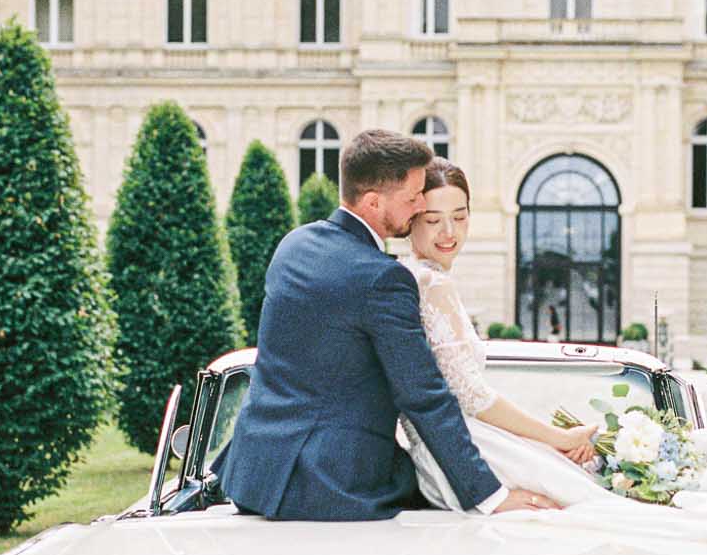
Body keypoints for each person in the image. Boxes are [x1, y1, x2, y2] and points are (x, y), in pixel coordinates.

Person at [401, 158, 707, 555]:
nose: (449, 233)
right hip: (478, 448)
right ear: (410, 222)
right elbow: (474, 396)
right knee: (634, 502)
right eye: (433, 219)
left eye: (459, 217)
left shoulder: (424, 281)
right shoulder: (433, 285)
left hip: (473, 442)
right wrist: (559, 438)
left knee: (615, 500)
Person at [225, 130, 557, 522]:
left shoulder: (295, 245)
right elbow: (423, 395)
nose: (419, 206)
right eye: (413, 198)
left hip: (255, 475)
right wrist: (489, 495)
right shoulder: (383, 279)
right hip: (334, 484)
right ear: (372, 202)